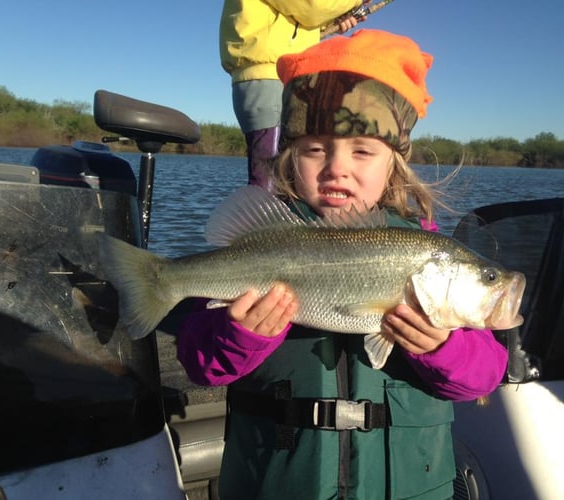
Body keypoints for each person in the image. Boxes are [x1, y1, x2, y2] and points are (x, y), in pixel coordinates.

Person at [180, 29, 508, 499]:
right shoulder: (265, 238)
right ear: (290, 158)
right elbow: (198, 363)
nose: (337, 167)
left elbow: (484, 376)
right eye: (315, 148)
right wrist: (239, 336)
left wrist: (443, 348)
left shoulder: (426, 247)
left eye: (362, 150)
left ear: (393, 163)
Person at [219, 0, 370, 188]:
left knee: (290, 176)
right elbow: (311, 7)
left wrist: (335, 20)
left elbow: (305, 17)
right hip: (268, 76)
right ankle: (262, 217)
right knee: (271, 177)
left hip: (284, 76)